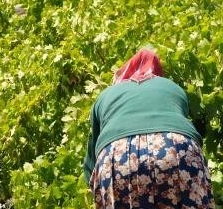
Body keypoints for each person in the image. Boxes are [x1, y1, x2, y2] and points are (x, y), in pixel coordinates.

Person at [82, 49, 214, 209]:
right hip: (176, 146)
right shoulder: (172, 87)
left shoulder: (106, 95)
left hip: (118, 155)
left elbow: (91, 166)